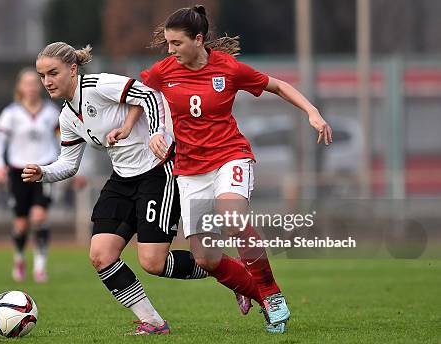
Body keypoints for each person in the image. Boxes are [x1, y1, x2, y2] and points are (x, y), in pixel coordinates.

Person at [22, 42, 240, 335]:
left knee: (153, 262)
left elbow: (150, 95)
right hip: (122, 179)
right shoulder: (67, 117)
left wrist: (155, 134)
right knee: (101, 255)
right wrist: (43, 173)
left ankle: (232, 273)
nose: (46, 81)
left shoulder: (99, 85)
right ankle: (152, 322)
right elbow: (69, 164)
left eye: (53, 73)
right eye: (42, 75)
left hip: (157, 172)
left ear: (73, 70)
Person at [139, 5, 334, 333]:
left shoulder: (228, 69)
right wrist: (153, 132)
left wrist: (311, 111)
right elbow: (140, 96)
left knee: (232, 218)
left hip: (230, 156)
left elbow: (277, 85)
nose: (170, 51)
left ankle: (271, 294)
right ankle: (257, 295)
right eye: (168, 45)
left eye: (176, 44)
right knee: (206, 259)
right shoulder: (163, 71)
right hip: (189, 169)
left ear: (198, 40)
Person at [0, 67, 60, 283]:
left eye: (34, 82)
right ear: (20, 87)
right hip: (18, 172)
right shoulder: (11, 114)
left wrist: (74, 169)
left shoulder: (52, 113)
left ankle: (40, 265)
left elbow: (64, 142)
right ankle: (19, 258)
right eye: (26, 83)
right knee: (21, 224)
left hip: (44, 170)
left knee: (39, 216)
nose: (30, 87)